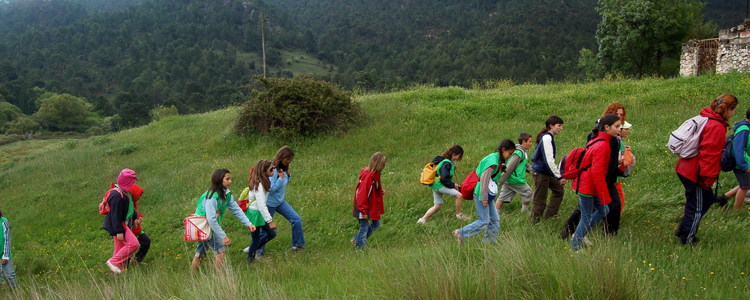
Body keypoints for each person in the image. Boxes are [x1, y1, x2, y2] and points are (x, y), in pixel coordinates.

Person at [674, 94, 737, 246]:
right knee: (696, 206)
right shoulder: (716, 126)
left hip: (687, 167)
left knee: (706, 199)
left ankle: (683, 229)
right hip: (695, 173)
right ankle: (687, 239)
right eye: (734, 109)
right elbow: (709, 154)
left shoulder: (708, 118)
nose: (734, 113)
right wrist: (707, 178)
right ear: (727, 109)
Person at [571, 114, 622, 251]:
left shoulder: (598, 139)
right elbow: (597, 173)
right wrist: (604, 195)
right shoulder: (603, 145)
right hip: (587, 186)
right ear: (607, 127)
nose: (619, 129)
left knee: (603, 210)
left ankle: (579, 235)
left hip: (586, 184)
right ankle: (575, 246)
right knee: (586, 216)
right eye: (617, 126)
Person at [191, 168, 256, 272]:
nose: (230, 181)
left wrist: (248, 223)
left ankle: (193, 276)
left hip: (208, 227)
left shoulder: (226, 194)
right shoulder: (212, 197)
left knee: (200, 253)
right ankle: (220, 278)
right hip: (207, 227)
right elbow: (211, 220)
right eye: (227, 179)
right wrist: (223, 237)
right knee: (220, 251)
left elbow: (236, 209)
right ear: (219, 180)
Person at [452, 140, 516, 243]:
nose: (510, 156)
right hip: (481, 193)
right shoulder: (493, 162)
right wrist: (484, 198)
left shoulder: (499, 159)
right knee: (484, 221)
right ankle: (460, 233)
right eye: (509, 153)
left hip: (487, 194)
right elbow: (484, 180)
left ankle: (488, 243)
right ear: (503, 150)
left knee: (495, 220)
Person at [257, 146, 304, 255]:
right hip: (270, 203)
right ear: (282, 157)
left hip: (280, 202)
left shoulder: (284, 169)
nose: (289, 161)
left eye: (291, 159)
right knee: (265, 229)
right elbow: (270, 189)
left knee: (296, 219)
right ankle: (258, 252)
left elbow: (285, 183)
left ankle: (298, 245)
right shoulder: (273, 169)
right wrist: (281, 178)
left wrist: (288, 175)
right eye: (287, 159)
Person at [102, 168, 140, 274]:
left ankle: (119, 271)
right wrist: (119, 231)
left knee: (119, 249)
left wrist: (135, 217)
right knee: (133, 244)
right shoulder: (117, 195)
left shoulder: (124, 193)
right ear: (126, 180)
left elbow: (129, 208)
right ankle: (113, 262)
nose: (132, 183)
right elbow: (115, 215)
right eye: (131, 180)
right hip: (118, 225)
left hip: (120, 224)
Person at [418, 145, 467, 224]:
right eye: (459, 156)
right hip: (440, 185)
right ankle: (459, 215)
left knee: (437, 205)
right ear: (454, 154)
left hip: (434, 185)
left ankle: (422, 220)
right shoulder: (447, 163)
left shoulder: (443, 160)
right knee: (459, 196)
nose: (459, 158)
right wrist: (453, 185)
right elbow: (444, 179)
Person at [531, 116, 565, 222]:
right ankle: (534, 222)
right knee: (540, 200)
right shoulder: (547, 138)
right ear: (551, 126)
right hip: (541, 172)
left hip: (546, 172)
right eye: (559, 125)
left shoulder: (548, 137)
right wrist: (559, 177)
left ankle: (549, 217)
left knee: (559, 190)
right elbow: (549, 160)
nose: (561, 128)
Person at [243, 160, 277, 264]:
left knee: (271, 234)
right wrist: (270, 221)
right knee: (258, 238)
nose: (273, 171)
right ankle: (250, 260)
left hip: (258, 214)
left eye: (273, 168)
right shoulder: (259, 186)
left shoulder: (263, 182)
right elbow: (261, 205)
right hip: (255, 214)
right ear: (264, 171)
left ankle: (252, 249)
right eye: (271, 169)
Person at [352, 152, 387, 250]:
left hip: (370, 205)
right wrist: (363, 210)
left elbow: (374, 188)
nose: (384, 166)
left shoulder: (375, 175)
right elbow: (362, 194)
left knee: (376, 223)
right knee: (364, 227)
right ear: (377, 164)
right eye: (383, 164)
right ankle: (360, 248)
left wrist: (379, 191)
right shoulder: (368, 177)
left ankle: (357, 239)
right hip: (363, 207)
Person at [496, 133, 534, 212]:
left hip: (510, 179)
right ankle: (524, 212)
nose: (531, 144)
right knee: (528, 192)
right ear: (523, 142)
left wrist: (533, 171)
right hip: (516, 179)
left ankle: (495, 213)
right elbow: (510, 167)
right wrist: (501, 180)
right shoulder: (518, 152)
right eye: (529, 142)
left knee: (502, 197)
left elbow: (525, 164)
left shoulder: (523, 152)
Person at [0, 209, 16, 289]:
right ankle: (3, 290)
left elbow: (7, 239)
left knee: (10, 275)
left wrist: (5, 256)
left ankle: (13, 290)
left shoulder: (3, 221)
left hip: (4, 253)